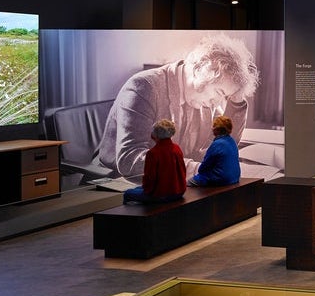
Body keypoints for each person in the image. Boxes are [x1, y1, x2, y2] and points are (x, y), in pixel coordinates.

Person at [99, 33, 260, 179]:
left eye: (225, 96)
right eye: (219, 92)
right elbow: (130, 158)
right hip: (118, 183)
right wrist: (195, 169)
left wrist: (236, 100)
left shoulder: (204, 97)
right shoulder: (143, 87)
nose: (219, 102)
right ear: (203, 72)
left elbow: (220, 147)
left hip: (172, 181)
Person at [122, 119, 186, 204]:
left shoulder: (153, 153)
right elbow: (183, 171)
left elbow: (150, 178)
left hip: (162, 195)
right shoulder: (177, 148)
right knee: (136, 189)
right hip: (179, 192)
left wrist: (147, 191)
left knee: (127, 193)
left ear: (155, 134)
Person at [188, 115, 241, 186]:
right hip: (235, 177)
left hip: (221, 179)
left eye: (213, 126)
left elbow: (203, 167)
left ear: (217, 129)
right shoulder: (232, 141)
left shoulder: (217, 144)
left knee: (189, 182)